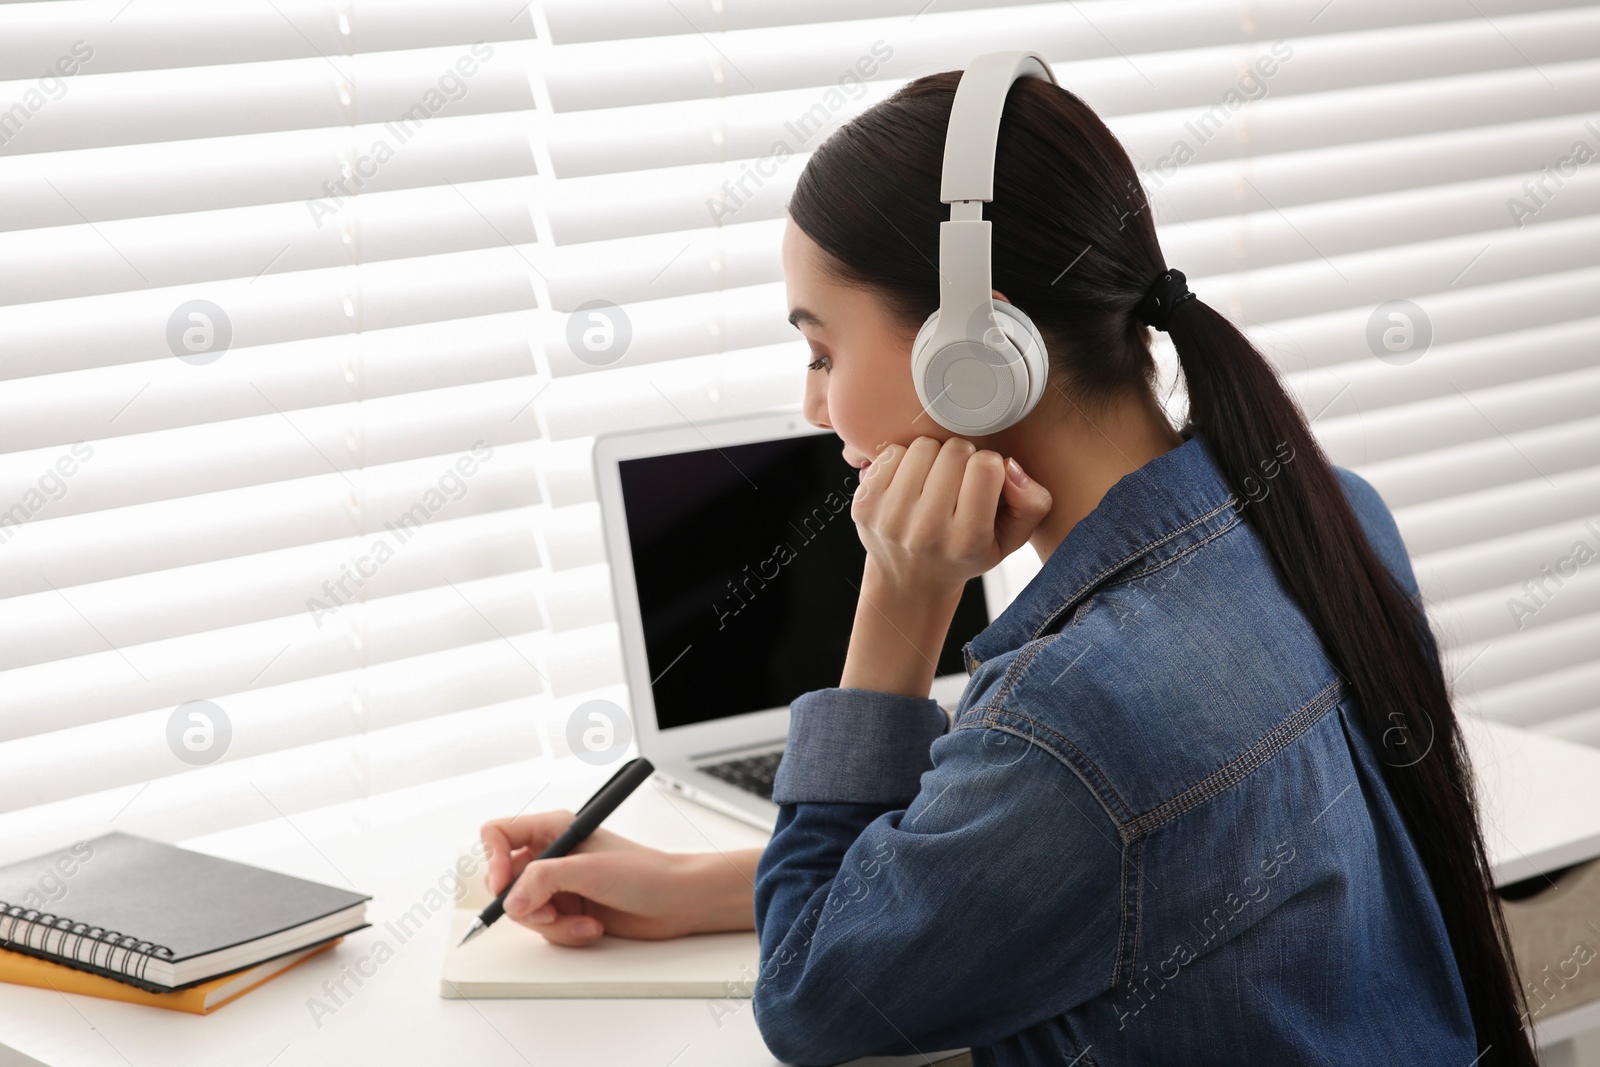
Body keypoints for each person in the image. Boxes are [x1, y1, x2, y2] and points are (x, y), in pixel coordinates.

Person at [479, 69, 1538, 1065]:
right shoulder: (1329, 513)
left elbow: (810, 995)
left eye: (820, 349)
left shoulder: (1079, 713)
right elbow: (1108, 866)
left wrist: (900, 603)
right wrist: (695, 884)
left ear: (974, 352)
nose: (812, 405)